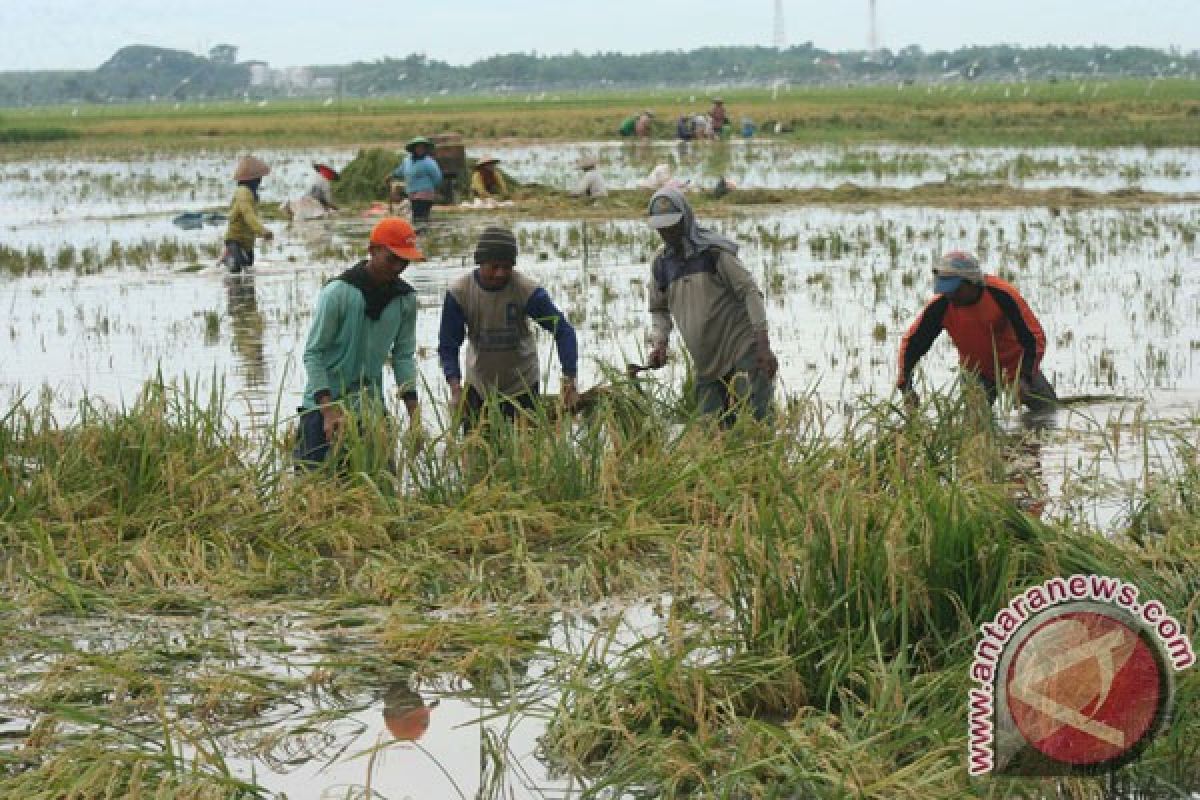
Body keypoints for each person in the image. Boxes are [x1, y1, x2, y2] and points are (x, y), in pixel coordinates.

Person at [294, 217, 424, 467]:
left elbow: (403, 356)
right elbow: (314, 353)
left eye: (404, 261)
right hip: (323, 408)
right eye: (391, 258)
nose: (398, 267)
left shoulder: (405, 300)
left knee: (382, 487)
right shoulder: (338, 293)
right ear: (373, 250)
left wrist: (414, 415)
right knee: (315, 488)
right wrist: (328, 410)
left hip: (370, 408)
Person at [644, 187, 778, 425]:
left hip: (740, 349)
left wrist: (763, 345)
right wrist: (659, 344)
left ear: (685, 220)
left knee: (756, 423)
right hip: (705, 362)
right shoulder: (661, 264)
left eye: (672, 225)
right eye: (661, 227)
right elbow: (659, 309)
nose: (667, 233)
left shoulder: (714, 253)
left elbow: (749, 291)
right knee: (711, 432)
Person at [438, 226, 579, 429]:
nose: (500, 274)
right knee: (477, 453)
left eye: (507, 267)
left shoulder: (526, 291)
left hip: (522, 386)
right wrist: (455, 388)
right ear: (480, 262)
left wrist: (570, 381)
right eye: (494, 267)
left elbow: (563, 331)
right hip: (479, 386)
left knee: (526, 453)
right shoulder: (460, 292)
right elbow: (448, 345)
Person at [896, 251, 1057, 411]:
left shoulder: (1002, 295)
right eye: (945, 290)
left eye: (956, 290)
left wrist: (1024, 377)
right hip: (976, 373)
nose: (950, 296)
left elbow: (1034, 338)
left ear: (971, 282)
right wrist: (906, 388)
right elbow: (911, 345)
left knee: (1049, 414)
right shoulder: (941, 306)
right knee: (975, 428)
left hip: (1017, 368)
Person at [222, 155, 273, 273]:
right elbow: (248, 215)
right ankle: (226, 257)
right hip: (236, 241)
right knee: (238, 272)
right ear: (253, 179)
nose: (260, 181)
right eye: (259, 178)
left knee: (248, 273)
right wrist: (263, 231)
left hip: (247, 243)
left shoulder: (251, 193)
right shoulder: (243, 193)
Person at [393, 137, 443, 225]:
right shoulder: (407, 161)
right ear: (413, 149)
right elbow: (401, 171)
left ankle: (421, 235)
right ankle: (422, 235)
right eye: (418, 147)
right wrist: (391, 175)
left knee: (419, 218)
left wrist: (428, 188)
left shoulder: (429, 162)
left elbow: (437, 178)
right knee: (417, 218)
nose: (420, 150)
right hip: (412, 194)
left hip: (425, 195)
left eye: (422, 148)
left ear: (425, 149)